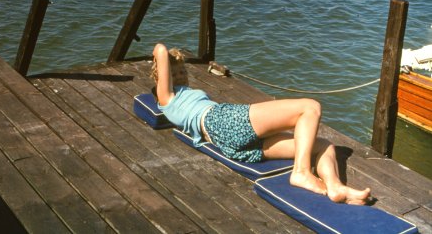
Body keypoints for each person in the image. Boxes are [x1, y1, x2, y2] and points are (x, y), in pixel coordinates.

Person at [151, 43, 371, 205]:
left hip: (230, 143)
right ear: (161, 79)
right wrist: (159, 58)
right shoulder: (167, 98)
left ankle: (335, 186)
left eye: (182, 72)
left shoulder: (183, 96)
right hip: (222, 121)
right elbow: (160, 49)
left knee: (322, 144)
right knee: (310, 107)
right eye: (173, 74)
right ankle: (301, 172)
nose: (180, 77)